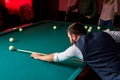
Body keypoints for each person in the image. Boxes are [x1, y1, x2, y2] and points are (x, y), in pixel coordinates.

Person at [31, 22, 120, 80]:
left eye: (69, 37)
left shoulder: (76, 49)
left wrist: (39, 56)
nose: (70, 40)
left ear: (74, 36)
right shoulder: (105, 33)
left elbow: (56, 57)